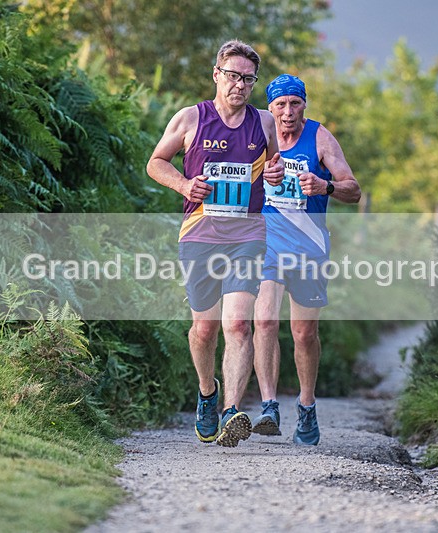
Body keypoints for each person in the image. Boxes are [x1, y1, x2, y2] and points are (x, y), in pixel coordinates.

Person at [146, 40, 284, 447]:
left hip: (247, 235)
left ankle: (230, 411)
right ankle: (208, 391)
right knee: (204, 329)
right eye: (233, 76)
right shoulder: (190, 119)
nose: (240, 85)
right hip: (200, 233)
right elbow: (156, 162)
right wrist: (185, 184)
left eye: (248, 79)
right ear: (216, 75)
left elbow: (273, 164)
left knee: (238, 323)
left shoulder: (263, 124)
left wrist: (273, 175)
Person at [252, 74, 361, 445]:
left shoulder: (319, 137)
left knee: (304, 333)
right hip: (267, 245)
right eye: (280, 105)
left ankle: (307, 406)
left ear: (304, 105)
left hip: (309, 248)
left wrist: (324, 185)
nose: (287, 112)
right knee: (263, 320)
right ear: (270, 108)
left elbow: (353, 189)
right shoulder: (260, 135)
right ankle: (268, 405)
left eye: (294, 103)